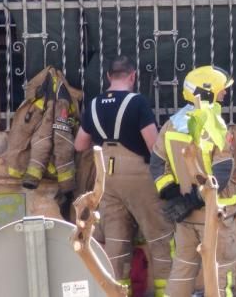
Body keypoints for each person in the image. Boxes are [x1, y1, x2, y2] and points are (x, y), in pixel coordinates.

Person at [74, 55, 173, 296]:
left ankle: (117, 293)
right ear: (132, 76)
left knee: (116, 245)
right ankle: (165, 292)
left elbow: (79, 145)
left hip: (106, 177)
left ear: (108, 76)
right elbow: (153, 146)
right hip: (138, 175)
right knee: (160, 237)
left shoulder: (94, 104)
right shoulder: (137, 103)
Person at [151, 65, 236, 297]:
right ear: (207, 92)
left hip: (184, 218)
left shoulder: (171, 125)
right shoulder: (215, 126)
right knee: (221, 276)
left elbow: (157, 165)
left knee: (181, 273)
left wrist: (175, 196)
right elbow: (222, 171)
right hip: (216, 215)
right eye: (222, 90)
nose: (225, 94)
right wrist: (196, 199)